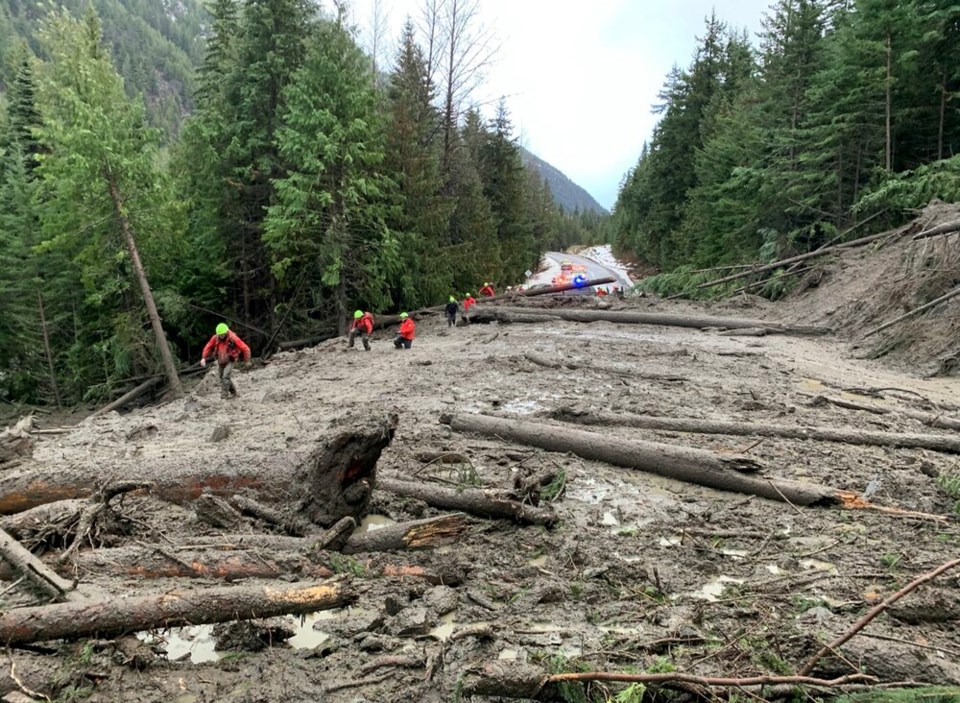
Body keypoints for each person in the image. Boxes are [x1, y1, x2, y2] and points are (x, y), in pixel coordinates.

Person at [201, 323, 251, 399]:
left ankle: (224, 396)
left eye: (222, 334)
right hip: (221, 359)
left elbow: (246, 348)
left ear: (226, 332)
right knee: (222, 377)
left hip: (231, 359)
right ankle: (234, 392)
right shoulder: (215, 338)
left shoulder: (233, 338)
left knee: (225, 376)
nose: (221, 336)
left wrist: (247, 361)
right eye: (219, 335)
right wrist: (203, 358)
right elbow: (208, 346)